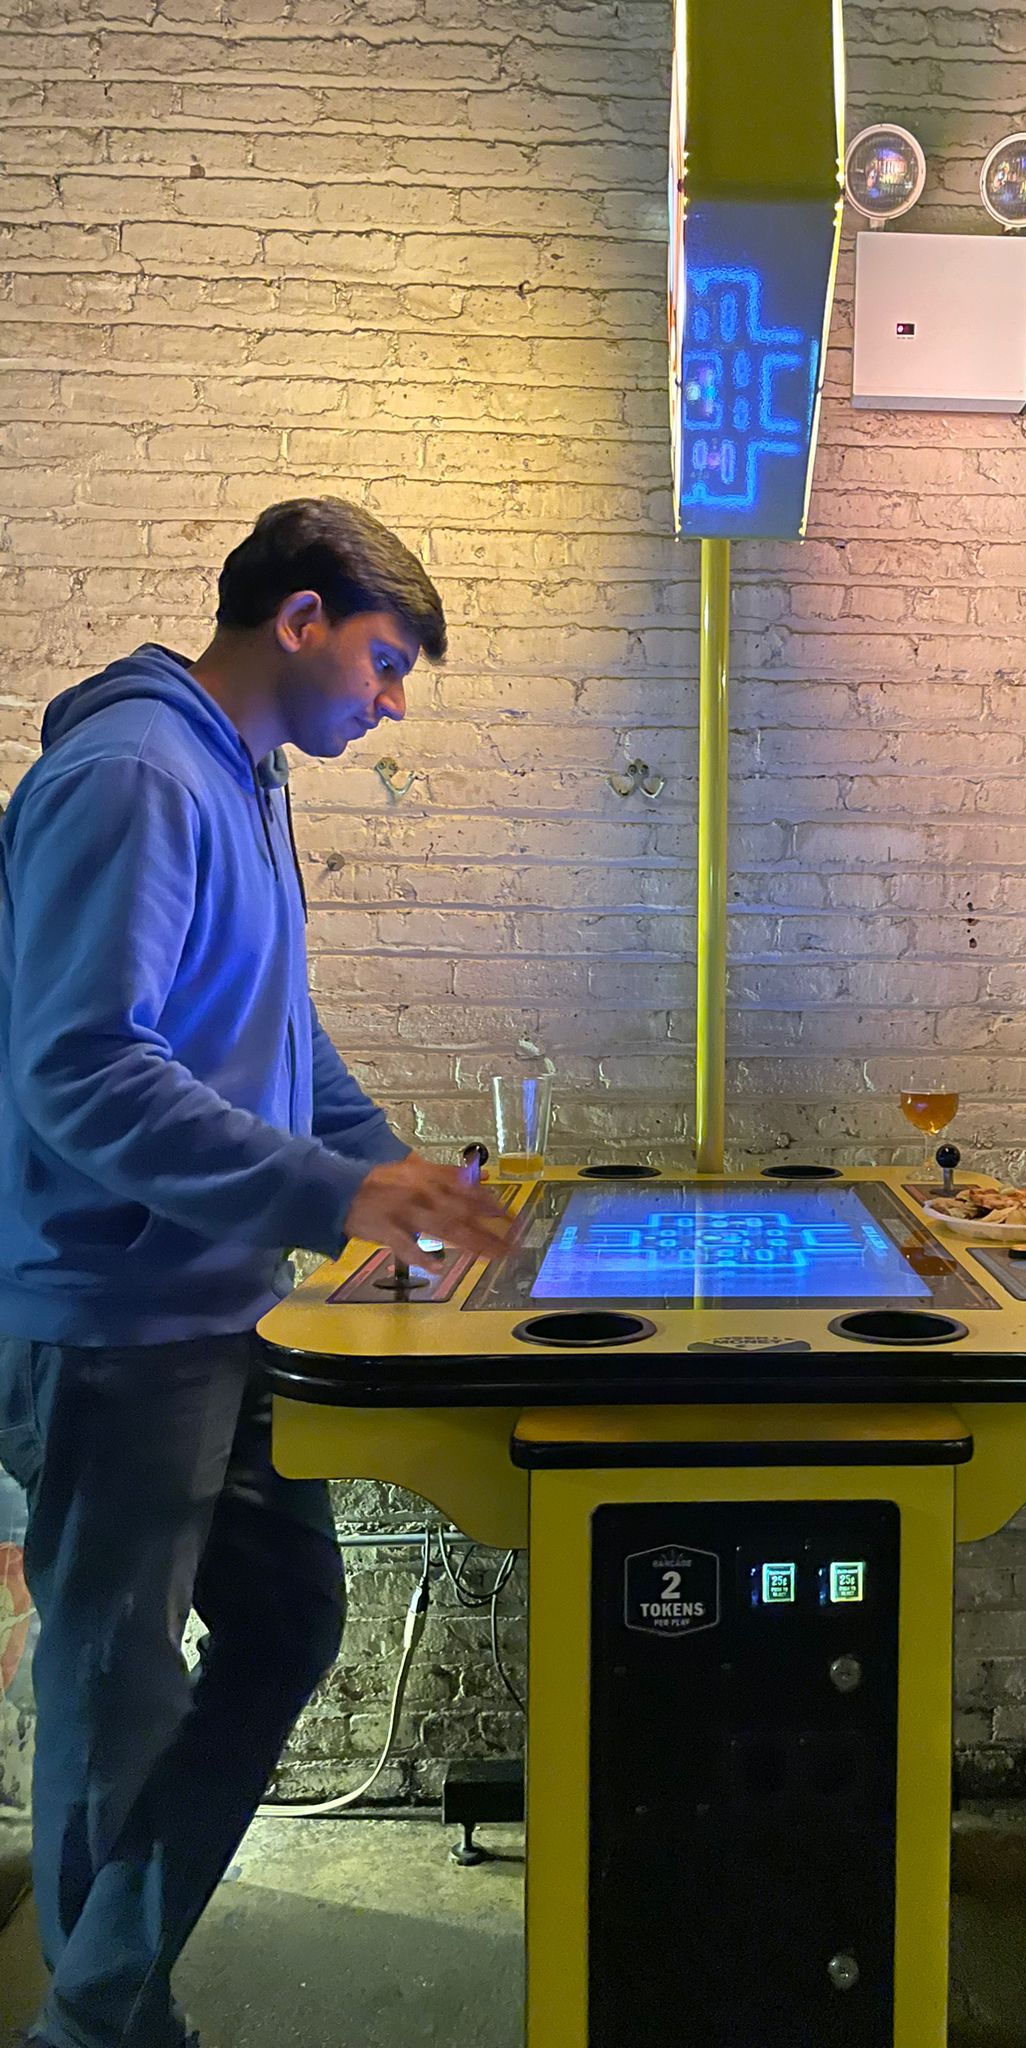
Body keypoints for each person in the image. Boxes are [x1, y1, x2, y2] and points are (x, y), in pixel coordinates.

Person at [0, 499, 510, 2048]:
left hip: (223, 1309)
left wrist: (394, 1164)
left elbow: (277, 1039)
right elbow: (81, 1071)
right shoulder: (138, 774)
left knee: (286, 1623)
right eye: (384, 661)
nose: (394, 699)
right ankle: (97, 2024)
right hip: (114, 1318)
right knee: (117, 1691)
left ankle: (110, 1989)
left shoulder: (245, 777)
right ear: (298, 622)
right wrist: (337, 1187)